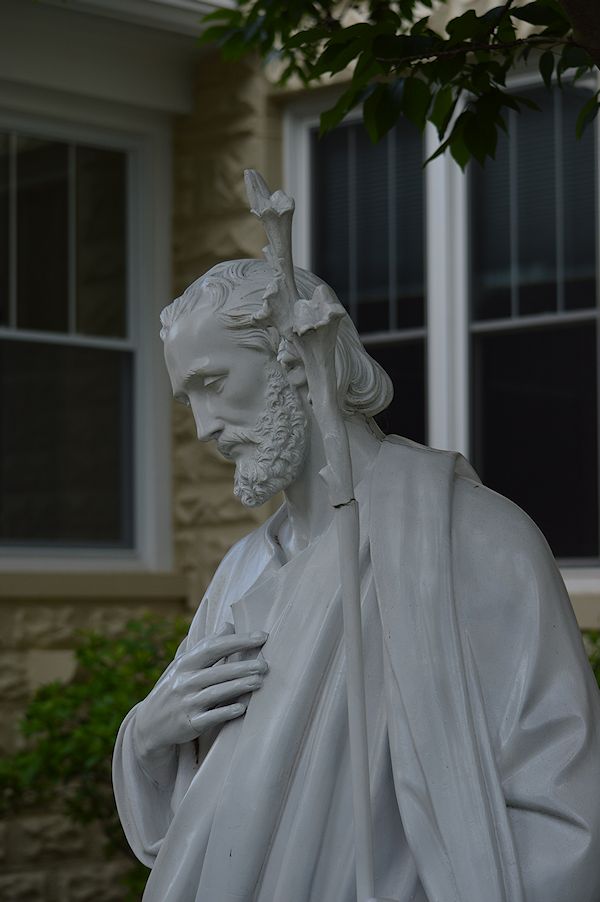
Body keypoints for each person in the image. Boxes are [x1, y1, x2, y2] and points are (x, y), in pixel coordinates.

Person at [113, 258, 600, 902]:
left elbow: (561, 806)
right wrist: (147, 739)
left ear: (294, 359)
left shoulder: (473, 540)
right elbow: (192, 817)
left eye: (213, 382)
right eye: (187, 400)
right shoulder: (242, 570)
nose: (204, 428)